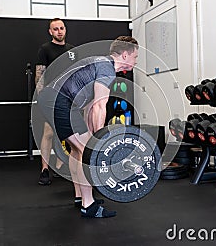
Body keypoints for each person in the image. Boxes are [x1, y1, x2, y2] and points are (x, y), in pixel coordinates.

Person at [36, 36, 139, 218]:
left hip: (61, 102)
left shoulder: (100, 63)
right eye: (135, 57)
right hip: (59, 101)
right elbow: (100, 105)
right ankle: (88, 205)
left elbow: (90, 107)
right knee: (86, 153)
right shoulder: (107, 68)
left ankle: (80, 196)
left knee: (78, 151)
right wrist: (98, 142)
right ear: (125, 55)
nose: (136, 61)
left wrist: (92, 134)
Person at [35, 18, 76, 186]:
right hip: (51, 96)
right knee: (49, 132)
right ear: (50, 32)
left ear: (65, 30)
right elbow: (40, 74)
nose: (59, 31)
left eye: (61, 28)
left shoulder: (73, 50)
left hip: (69, 97)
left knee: (69, 132)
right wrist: (40, 97)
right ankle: (45, 168)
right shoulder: (45, 49)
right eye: (55, 29)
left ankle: (61, 164)